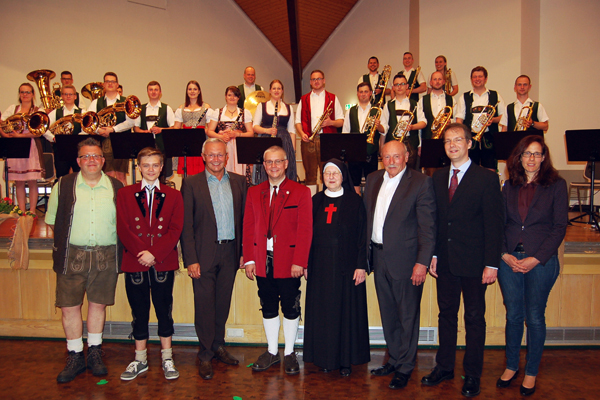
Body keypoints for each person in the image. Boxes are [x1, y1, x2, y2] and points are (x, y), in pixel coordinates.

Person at [422, 123, 504, 398]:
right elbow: (435, 221)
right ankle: (444, 366)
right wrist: (433, 253)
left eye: (458, 139)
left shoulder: (487, 178)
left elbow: (494, 224)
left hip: (474, 262)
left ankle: (472, 374)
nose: (452, 144)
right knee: (446, 316)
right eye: (447, 141)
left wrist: (492, 263)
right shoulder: (437, 177)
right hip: (444, 261)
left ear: (470, 143)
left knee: (474, 318)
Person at [45, 137, 124, 383]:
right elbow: (51, 220)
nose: (92, 160)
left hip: (106, 254)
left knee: (98, 305)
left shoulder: (117, 186)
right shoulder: (63, 184)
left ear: (103, 160)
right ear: (78, 161)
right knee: (69, 307)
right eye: (86, 156)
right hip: (72, 255)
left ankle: (95, 353)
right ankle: (75, 355)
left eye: (96, 156)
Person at [496, 135, 567, 396]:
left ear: (544, 158)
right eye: (527, 154)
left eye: (537, 154)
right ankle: (512, 366)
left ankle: (531, 371)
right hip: (509, 260)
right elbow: (500, 223)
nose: (531, 159)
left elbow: (560, 227)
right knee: (513, 315)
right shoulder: (508, 186)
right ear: (519, 157)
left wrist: (536, 258)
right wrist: (504, 254)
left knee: (535, 317)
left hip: (541, 262)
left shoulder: (556, 185)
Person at [365, 141, 436, 390]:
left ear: (407, 156)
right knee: (388, 314)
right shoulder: (373, 180)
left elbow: (428, 228)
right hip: (379, 257)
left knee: (407, 315)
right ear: (381, 159)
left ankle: (406, 366)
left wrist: (422, 263)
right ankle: (394, 359)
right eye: (387, 157)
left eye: (397, 156)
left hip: (407, 261)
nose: (392, 161)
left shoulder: (420, 182)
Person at [179, 138, 247, 380]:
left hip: (230, 253)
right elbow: (185, 225)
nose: (216, 159)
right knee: (205, 305)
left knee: (222, 302)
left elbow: (245, 221)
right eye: (212, 155)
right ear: (203, 156)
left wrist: (244, 253)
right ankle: (205, 353)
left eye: (221, 155)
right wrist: (191, 259)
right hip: (203, 254)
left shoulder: (239, 182)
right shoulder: (191, 183)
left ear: (227, 157)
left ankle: (218, 345)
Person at [242, 145, 312, 375]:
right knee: (268, 304)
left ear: (286, 164)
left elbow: (305, 230)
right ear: (264, 165)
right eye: (269, 162)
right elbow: (248, 227)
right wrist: (250, 259)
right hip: (263, 260)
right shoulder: (254, 192)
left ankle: (290, 352)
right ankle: (272, 351)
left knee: (291, 306)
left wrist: (300, 261)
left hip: (290, 262)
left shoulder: (300, 192)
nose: (273, 166)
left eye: (277, 162)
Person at [116, 147, 183, 381]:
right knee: (139, 311)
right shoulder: (124, 194)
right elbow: (123, 228)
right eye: (146, 165)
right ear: (138, 167)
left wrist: (154, 254)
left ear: (162, 167)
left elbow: (175, 229)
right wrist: (141, 253)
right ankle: (140, 358)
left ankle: (167, 357)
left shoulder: (174, 195)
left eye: (155, 165)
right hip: (135, 261)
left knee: (164, 310)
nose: (151, 169)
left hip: (162, 261)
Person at [303, 159, 370, 376]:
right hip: (320, 265)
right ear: (323, 177)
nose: (331, 177)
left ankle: (345, 361)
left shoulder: (354, 201)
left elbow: (362, 236)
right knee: (324, 313)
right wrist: (305, 262)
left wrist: (361, 266)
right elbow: (305, 235)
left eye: (336, 173)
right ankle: (324, 358)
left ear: (343, 177)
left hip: (347, 265)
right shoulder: (315, 201)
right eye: (327, 173)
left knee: (345, 313)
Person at [295, 70, 344, 195]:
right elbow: (297, 121)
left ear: (324, 80)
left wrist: (330, 123)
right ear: (311, 82)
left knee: (327, 172)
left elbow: (341, 121)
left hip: (327, 141)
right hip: (308, 141)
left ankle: (326, 200)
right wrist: (302, 133)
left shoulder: (333, 98)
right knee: (309, 174)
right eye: (313, 79)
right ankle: (311, 203)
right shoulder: (304, 99)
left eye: (319, 79)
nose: (316, 81)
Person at [2, 83, 48, 210]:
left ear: (33, 94)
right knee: (19, 182)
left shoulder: (38, 111)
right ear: (19, 94)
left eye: (28, 92)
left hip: (31, 146)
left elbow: (40, 131)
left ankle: (32, 211)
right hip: (15, 147)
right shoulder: (13, 108)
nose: (25, 95)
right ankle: (22, 211)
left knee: (32, 181)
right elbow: (1, 122)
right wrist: (5, 135)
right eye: (22, 92)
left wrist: (20, 136)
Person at [455, 66, 507, 170]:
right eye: (475, 77)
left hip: (489, 137)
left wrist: (493, 120)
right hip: (471, 137)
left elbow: (504, 116)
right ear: (471, 79)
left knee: (490, 169)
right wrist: (460, 137)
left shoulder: (495, 95)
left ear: (486, 79)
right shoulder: (464, 97)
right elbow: (459, 119)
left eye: (480, 76)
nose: (477, 79)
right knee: (470, 168)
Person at [89, 72, 131, 185]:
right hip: (103, 141)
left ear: (117, 84)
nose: (110, 83)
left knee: (121, 175)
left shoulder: (126, 101)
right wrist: (99, 130)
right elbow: (89, 122)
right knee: (108, 174)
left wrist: (113, 129)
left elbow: (131, 121)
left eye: (113, 81)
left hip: (121, 141)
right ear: (103, 84)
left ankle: (122, 202)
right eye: (107, 81)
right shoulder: (95, 103)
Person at [129, 81, 176, 182]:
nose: (153, 92)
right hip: (145, 146)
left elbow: (173, 128)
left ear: (160, 92)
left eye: (156, 89)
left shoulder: (166, 108)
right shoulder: (140, 109)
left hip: (162, 146)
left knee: (162, 175)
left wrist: (161, 130)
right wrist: (144, 132)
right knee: (145, 173)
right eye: (151, 90)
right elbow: (136, 128)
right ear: (147, 92)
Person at [342, 82, 384, 193]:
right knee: (354, 182)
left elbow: (384, 131)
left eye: (366, 91)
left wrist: (378, 125)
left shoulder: (378, 110)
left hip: (371, 151)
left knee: (371, 183)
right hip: (354, 153)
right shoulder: (350, 111)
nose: (363, 94)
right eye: (361, 92)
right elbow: (345, 132)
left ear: (370, 93)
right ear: (357, 94)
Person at [252, 79, 297, 184]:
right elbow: (255, 126)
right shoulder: (262, 106)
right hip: (266, 140)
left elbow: (291, 130)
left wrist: (292, 150)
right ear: (270, 91)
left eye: (279, 88)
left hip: (284, 142)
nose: (276, 91)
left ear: (282, 91)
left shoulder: (288, 107)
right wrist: (267, 130)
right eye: (274, 88)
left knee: (284, 170)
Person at [380, 74, 426, 170]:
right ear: (393, 87)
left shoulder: (415, 104)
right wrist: (381, 147)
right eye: (396, 84)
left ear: (407, 86)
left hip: (411, 144)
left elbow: (423, 122)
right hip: (393, 144)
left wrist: (412, 127)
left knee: (412, 174)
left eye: (402, 84)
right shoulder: (388, 105)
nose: (399, 87)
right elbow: (384, 129)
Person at [206, 86, 253, 178]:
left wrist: (237, 134)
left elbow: (250, 133)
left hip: (239, 148)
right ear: (225, 96)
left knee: (239, 175)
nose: (232, 97)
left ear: (239, 97)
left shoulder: (245, 113)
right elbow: (210, 131)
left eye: (235, 95)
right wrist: (221, 137)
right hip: (223, 146)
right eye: (229, 95)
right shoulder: (218, 112)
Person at [45, 84, 87, 178]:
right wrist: (52, 138)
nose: (68, 96)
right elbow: (43, 127)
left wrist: (79, 137)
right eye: (65, 94)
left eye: (71, 94)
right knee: (61, 177)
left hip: (78, 149)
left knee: (80, 176)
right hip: (61, 149)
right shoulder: (55, 112)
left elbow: (88, 128)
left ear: (75, 96)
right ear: (62, 96)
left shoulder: (83, 113)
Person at [420, 71, 455, 176]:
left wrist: (450, 122)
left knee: (446, 172)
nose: (437, 81)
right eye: (435, 79)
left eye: (440, 79)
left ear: (444, 81)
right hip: (429, 140)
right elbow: (420, 122)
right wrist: (420, 145)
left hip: (447, 140)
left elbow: (457, 119)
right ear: (430, 82)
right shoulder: (423, 100)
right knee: (429, 173)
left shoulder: (451, 99)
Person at [173, 80, 211, 176]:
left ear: (199, 91)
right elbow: (176, 127)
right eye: (190, 89)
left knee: (201, 172)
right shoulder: (181, 108)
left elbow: (210, 129)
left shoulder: (206, 107)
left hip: (200, 141)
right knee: (186, 172)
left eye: (195, 89)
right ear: (187, 91)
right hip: (186, 142)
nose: (192, 91)